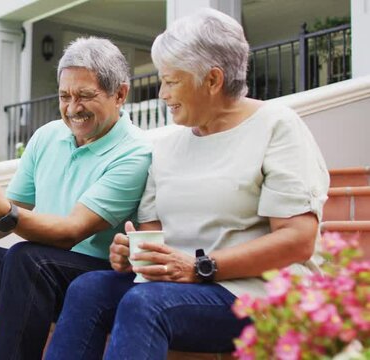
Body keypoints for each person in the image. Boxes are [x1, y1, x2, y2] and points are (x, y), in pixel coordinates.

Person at [44, 8, 330, 359]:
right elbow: (152, 228)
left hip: (251, 292)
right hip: (176, 285)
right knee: (88, 289)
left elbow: (298, 239)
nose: (162, 93)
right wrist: (137, 255)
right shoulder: (166, 144)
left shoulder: (277, 127)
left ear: (212, 80)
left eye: (171, 81)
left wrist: (200, 267)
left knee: (144, 303)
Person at [0, 37, 154, 360]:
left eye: (84, 96)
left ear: (120, 94)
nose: (72, 108)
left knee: (28, 258)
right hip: (35, 273)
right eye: (64, 96)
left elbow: (71, 232)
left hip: (94, 278)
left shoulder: (135, 152)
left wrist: (2, 209)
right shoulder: (47, 136)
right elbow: (3, 219)